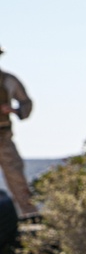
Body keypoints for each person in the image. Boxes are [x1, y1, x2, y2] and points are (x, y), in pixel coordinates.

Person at [0, 44, 38, 218]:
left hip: (4, 137)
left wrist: (14, 111)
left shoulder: (9, 80)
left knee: (17, 178)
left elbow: (26, 102)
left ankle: (30, 216)